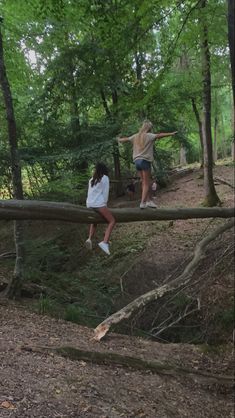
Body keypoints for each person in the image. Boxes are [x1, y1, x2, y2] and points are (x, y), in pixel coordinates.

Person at [117, 120, 177, 208]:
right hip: (144, 161)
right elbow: (160, 135)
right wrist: (171, 133)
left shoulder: (135, 136)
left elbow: (125, 139)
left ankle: (149, 201)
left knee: (143, 182)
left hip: (137, 162)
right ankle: (142, 203)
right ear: (149, 128)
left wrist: (118, 139)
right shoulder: (149, 135)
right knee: (146, 183)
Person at [85, 162, 115, 255]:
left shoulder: (91, 180)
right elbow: (105, 194)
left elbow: (90, 193)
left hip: (89, 204)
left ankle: (89, 239)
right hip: (98, 204)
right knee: (112, 221)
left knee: (95, 221)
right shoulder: (105, 178)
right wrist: (105, 205)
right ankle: (105, 242)